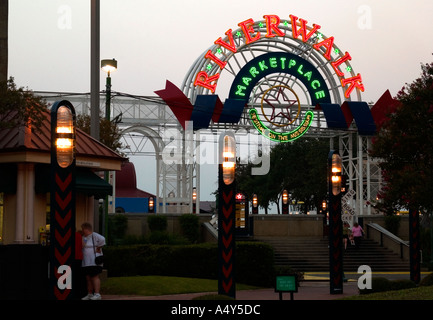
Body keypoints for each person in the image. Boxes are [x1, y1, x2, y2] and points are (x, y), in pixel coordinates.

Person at [80, 222, 105, 300]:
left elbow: (103, 239)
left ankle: (97, 294)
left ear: (86, 229)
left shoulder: (95, 235)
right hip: (86, 261)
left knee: (94, 277)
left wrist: (98, 247)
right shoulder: (83, 237)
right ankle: (90, 294)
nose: (82, 231)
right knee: (88, 278)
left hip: (94, 261)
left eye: (83, 229)